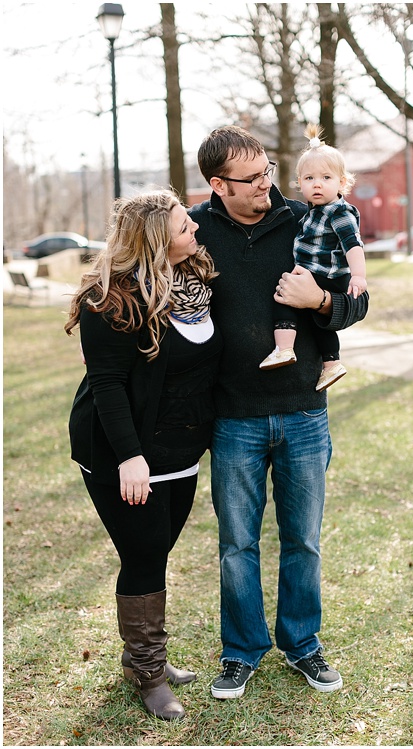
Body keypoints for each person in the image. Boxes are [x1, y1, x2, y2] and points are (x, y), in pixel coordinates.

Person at [189, 125, 368, 700]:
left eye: (269, 170)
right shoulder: (195, 231)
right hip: (234, 417)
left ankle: (303, 646)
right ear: (219, 185)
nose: (267, 184)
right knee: (236, 544)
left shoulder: (306, 216)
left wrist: (319, 302)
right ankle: (241, 651)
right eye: (252, 178)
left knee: (304, 540)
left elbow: (357, 299)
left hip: (303, 412)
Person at [66, 190, 221, 721]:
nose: (195, 231)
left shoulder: (196, 283)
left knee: (156, 549)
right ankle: (149, 672)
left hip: (180, 447)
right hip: (120, 451)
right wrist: (130, 458)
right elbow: (107, 384)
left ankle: (140, 659)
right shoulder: (108, 299)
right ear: (157, 240)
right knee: (145, 552)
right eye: (184, 226)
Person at [258, 124, 367, 391]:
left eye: (326, 178)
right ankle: (331, 365)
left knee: (285, 296)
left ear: (343, 182)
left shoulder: (337, 212)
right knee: (319, 324)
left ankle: (284, 348)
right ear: (299, 183)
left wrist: (359, 275)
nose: (317, 184)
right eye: (309, 179)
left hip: (327, 275)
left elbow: (353, 244)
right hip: (322, 275)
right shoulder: (311, 213)